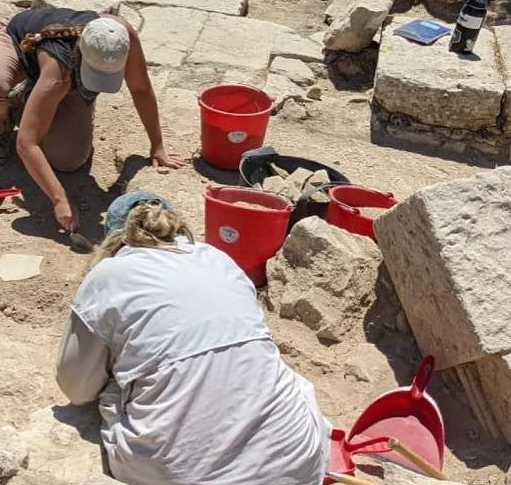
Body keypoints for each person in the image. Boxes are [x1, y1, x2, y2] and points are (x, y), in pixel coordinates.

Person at [55, 192, 331, 485]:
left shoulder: (109, 274)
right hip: (298, 460)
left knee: (117, 388)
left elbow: (77, 388)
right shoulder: (219, 259)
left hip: (182, 474)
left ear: (114, 239)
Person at [0, 7, 186, 232]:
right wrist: (59, 199)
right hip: (21, 42)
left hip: (66, 82)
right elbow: (26, 143)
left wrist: (157, 146)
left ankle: (38, 101)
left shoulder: (121, 35)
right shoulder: (58, 72)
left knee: (68, 160)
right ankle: (2, 126)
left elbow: (141, 89)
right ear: (80, 54)